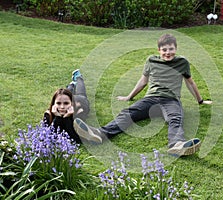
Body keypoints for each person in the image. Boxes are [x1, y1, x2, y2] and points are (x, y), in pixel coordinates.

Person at [73, 34, 212, 156]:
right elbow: (143, 81)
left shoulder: (182, 63)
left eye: (171, 49)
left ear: (176, 49)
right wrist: (129, 97)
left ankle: (177, 145)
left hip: (171, 100)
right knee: (127, 113)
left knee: (175, 118)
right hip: (150, 99)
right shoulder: (151, 61)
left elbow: (190, 83)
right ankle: (99, 134)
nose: (168, 52)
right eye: (164, 49)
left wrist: (200, 101)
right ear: (159, 50)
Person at [43, 69, 98, 144]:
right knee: (64, 94)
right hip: (69, 99)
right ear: (54, 103)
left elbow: (76, 139)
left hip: (81, 101)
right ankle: (71, 84)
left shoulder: (78, 112)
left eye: (66, 104)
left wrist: (67, 118)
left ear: (71, 104)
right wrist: (57, 117)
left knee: (81, 94)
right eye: (58, 103)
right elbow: (49, 136)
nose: (62, 107)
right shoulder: (48, 114)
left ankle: (78, 78)